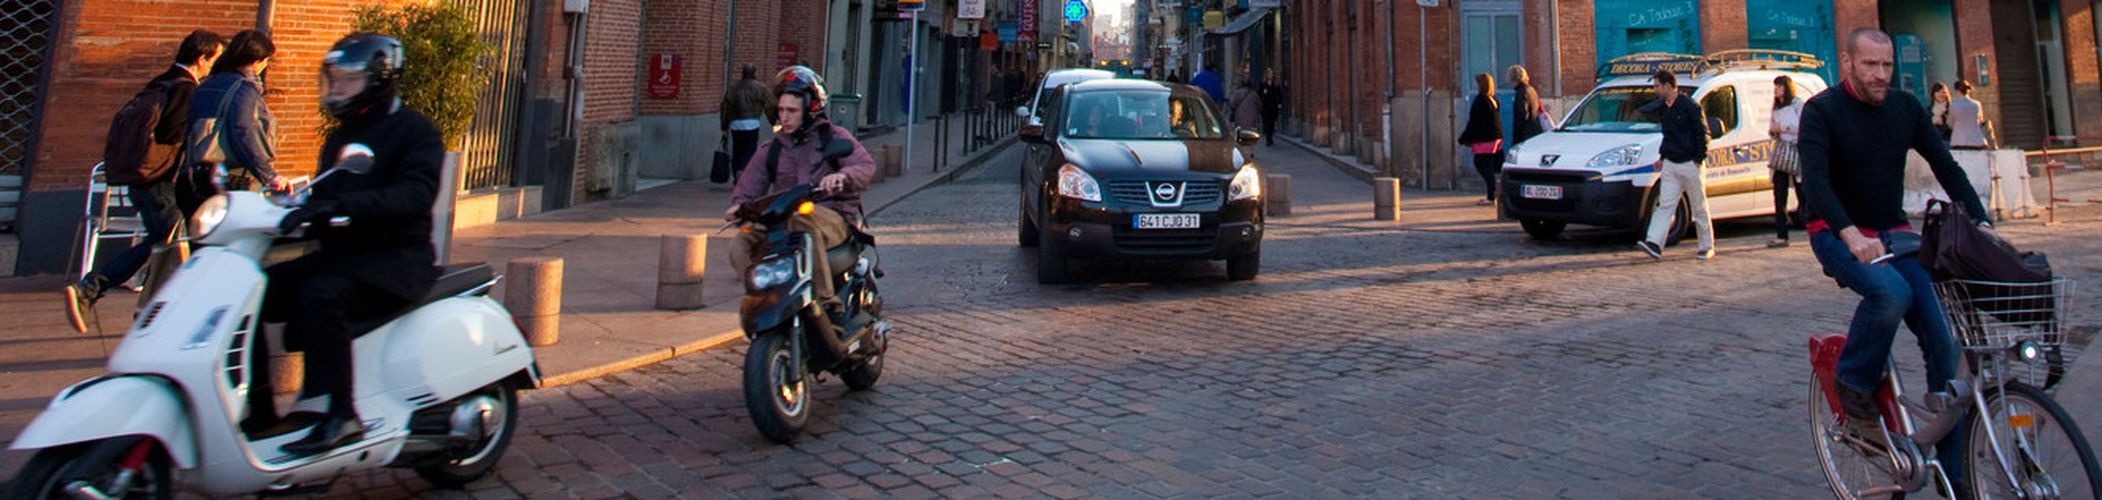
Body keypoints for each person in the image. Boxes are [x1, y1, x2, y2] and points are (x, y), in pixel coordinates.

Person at [1799, 29, 1992, 489]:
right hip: (1836, 232)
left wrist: (1982, 225)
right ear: (1847, 63)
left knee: (1943, 341)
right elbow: (1817, 185)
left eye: (1886, 65)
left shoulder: (1905, 108)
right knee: (1891, 293)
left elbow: (1946, 166)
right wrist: (1849, 234)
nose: (1881, 74)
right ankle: (1853, 383)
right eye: (1870, 65)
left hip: (1894, 234)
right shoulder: (1822, 111)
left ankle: (1953, 479)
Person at [255, 32, 447, 456]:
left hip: (396, 260)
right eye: (334, 79)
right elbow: (326, 194)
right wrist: (291, 211)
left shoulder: (415, 132)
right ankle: (258, 412)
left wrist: (342, 206)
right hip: (344, 254)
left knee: (322, 296)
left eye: (348, 80)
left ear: (378, 80)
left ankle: (341, 416)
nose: (337, 88)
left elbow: (415, 194)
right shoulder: (341, 136)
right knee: (251, 289)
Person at [63, 30, 225, 333]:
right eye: (214, 59)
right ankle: (93, 290)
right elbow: (171, 134)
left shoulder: (160, 82)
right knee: (167, 242)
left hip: (142, 178)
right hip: (158, 180)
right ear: (202, 58)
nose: (213, 66)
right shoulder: (185, 89)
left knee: (165, 242)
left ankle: (145, 314)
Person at [726, 66, 876, 335]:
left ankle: (828, 303)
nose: (784, 117)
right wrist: (740, 205)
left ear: (810, 109)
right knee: (741, 241)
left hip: (832, 216)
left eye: (792, 111)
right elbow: (748, 185)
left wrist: (843, 176)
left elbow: (864, 165)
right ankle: (762, 297)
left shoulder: (835, 137)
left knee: (801, 218)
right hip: (784, 219)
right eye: (781, 110)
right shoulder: (771, 148)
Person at [183, 29, 291, 215]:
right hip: (234, 177)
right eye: (266, 61)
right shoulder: (243, 89)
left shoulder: (208, 83)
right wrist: (269, 175)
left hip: (199, 173)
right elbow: (244, 132)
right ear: (257, 61)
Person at [1635, 69, 1714, 260]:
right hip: (1670, 163)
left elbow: (1703, 134)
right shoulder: (1663, 108)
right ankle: (1654, 242)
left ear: (1668, 86)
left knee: (1699, 205)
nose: (1655, 90)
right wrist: (1662, 158)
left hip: (1689, 163)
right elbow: (1668, 136)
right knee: (1665, 204)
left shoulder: (1690, 107)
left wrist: (1698, 159)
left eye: (1657, 86)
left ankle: (1706, 245)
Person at [1768, 75, 1806, 248]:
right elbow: (1772, 127)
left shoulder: (1798, 105)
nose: (1776, 90)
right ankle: (1781, 234)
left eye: (1780, 86)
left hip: (1796, 151)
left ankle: (1812, 226)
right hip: (1782, 151)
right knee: (1779, 193)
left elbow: (1804, 128)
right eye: (1775, 86)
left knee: (1803, 192)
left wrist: (1783, 128)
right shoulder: (1775, 107)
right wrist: (1774, 132)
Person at [1458, 73, 1505, 206]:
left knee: (1482, 164)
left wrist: (1463, 138)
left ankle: (1492, 194)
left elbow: (1474, 122)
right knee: (1488, 164)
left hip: (1486, 138)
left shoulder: (1481, 100)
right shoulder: (1493, 99)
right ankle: (1494, 190)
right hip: (1495, 136)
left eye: (1477, 83)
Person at [720, 66, 772, 183]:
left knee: (737, 149)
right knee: (749, 150)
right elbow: (770, 106)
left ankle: (737, 173)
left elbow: (725, 108)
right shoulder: (760, 88)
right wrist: (774, 122)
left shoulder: (733, 88)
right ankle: (744, 172)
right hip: (752, 123)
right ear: (754, 73)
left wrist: (724, 127)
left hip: (736, 123)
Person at [1948, 79, 1997, 150]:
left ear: (1957, 91)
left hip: (1959, 141)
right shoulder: (1977, 104)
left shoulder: (1953, 106)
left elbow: (1950, 124)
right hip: (1977, 141)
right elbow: (1980, 121)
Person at [1506, 65, 1547, 146]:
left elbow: (1521, 116)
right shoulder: (1531, 90)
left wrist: (1515, 139)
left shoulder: (1521, 93)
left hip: (1525, 134)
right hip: (1536, 130)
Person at [1226, 76, 1260, 142]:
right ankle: (1249, 149)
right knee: (1250, 137)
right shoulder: (1254, 94)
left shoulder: (1237, 93)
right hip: (1251, 120)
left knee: (1240, 135)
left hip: (1239, 119)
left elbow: (1232, 104)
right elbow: (1259, 105)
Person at [1258, 70, 1284, 146]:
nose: (1271, 75)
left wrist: (1279, 103)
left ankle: (1270, 136)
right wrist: (1263, 93)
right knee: (1267, 121)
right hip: (1265, 106)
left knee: (1272, 122)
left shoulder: (1275, 84)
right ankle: (1268, 139)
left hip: (1273, 106)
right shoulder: (1263, 84)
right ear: (1266, 75)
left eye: (1272, 74)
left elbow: (1279, 94)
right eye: (1269, 74)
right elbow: (1260, 94)